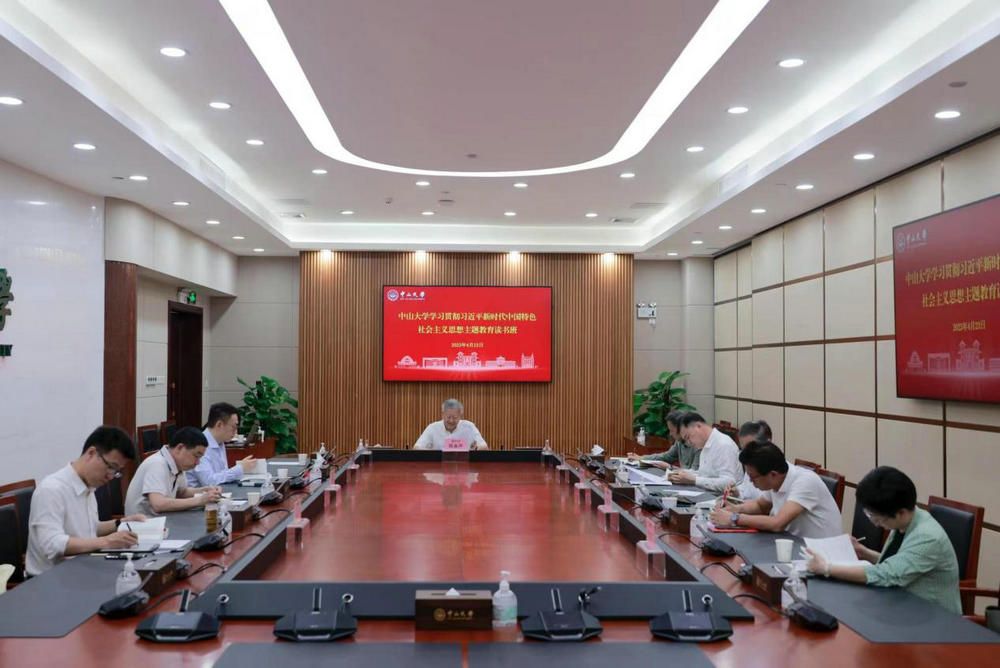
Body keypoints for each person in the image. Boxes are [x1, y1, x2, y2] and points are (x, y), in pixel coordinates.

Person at [805, 466, 961, 614]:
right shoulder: (906, 520)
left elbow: (887, 574)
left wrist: (827, 568)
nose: (875, 523)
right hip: (902, 604)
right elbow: (900, 563)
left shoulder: (927, 537)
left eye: (877, 518)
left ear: (901, 512)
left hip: (934, 618)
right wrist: (864, 552)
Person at [26, 426, 147, 576]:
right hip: (50, 579)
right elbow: (52, 544)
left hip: (82, 569)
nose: (110, 476)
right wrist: (107, 541)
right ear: (91, 453)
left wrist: (121, 523)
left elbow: (89, 529)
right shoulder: (51, 490)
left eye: (116, 472)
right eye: (111, 467)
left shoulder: (88, 486)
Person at [710, 441, 841, 538]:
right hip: (793, 544)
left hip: (822, 553)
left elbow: (777, 523)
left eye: (753, 477)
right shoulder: (778, 477)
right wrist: (734, 509)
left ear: (772, 474)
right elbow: (760, 506)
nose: (750, 481)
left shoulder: (805, 481)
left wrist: (734, 518)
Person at [125, 427, 222, 516]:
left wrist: (205, 490)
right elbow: (158, 504)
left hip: (161, 520)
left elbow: (181, 492)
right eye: (196, 456)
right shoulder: (157, 464)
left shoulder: (177, 464)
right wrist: (199, 500)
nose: (197, 462)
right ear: (180, 448)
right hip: (143, 525)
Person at [667, 412, 741, 492]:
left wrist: (694, 480)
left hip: (723, 497)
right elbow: (705, 475)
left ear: (698, 426)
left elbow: (729, 482)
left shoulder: (723, 444)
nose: (689, 442)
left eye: (688, 437)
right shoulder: (705, 444)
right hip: (709, 493)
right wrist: (681, 473)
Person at [186, 402, 256, 487]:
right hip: (198, 493)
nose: (236, 432)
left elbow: (222, 474)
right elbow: (208, 482)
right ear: (219, 424)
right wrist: (239, 468)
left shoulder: (220, 441)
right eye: (234, 427)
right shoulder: (200, 444)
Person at [626, 410, 700, 470]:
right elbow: (666, 457)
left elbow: (694, 475)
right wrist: (641, 458)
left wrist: (670, 468)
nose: (670, 434)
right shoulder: (679, 441)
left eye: (672, 430)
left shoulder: (699, 445)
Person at [414, 398, 488, 450]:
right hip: (438, 466)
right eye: (448, 417)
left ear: (460, 416)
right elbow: (417, 448)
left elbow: (484, 447)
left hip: (464, 466)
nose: (451, 421)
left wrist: (476, 449)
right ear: (443, 414)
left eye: (455, 417)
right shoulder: (432, 428)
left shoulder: (469, 427)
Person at [732, 420, 772, 502]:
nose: (746, 454)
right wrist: (737, 493)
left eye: (750, 448)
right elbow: (745, 491)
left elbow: (764, 506)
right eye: (743, 449)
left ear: (767, 443)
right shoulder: (751, 463)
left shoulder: (776, 471)